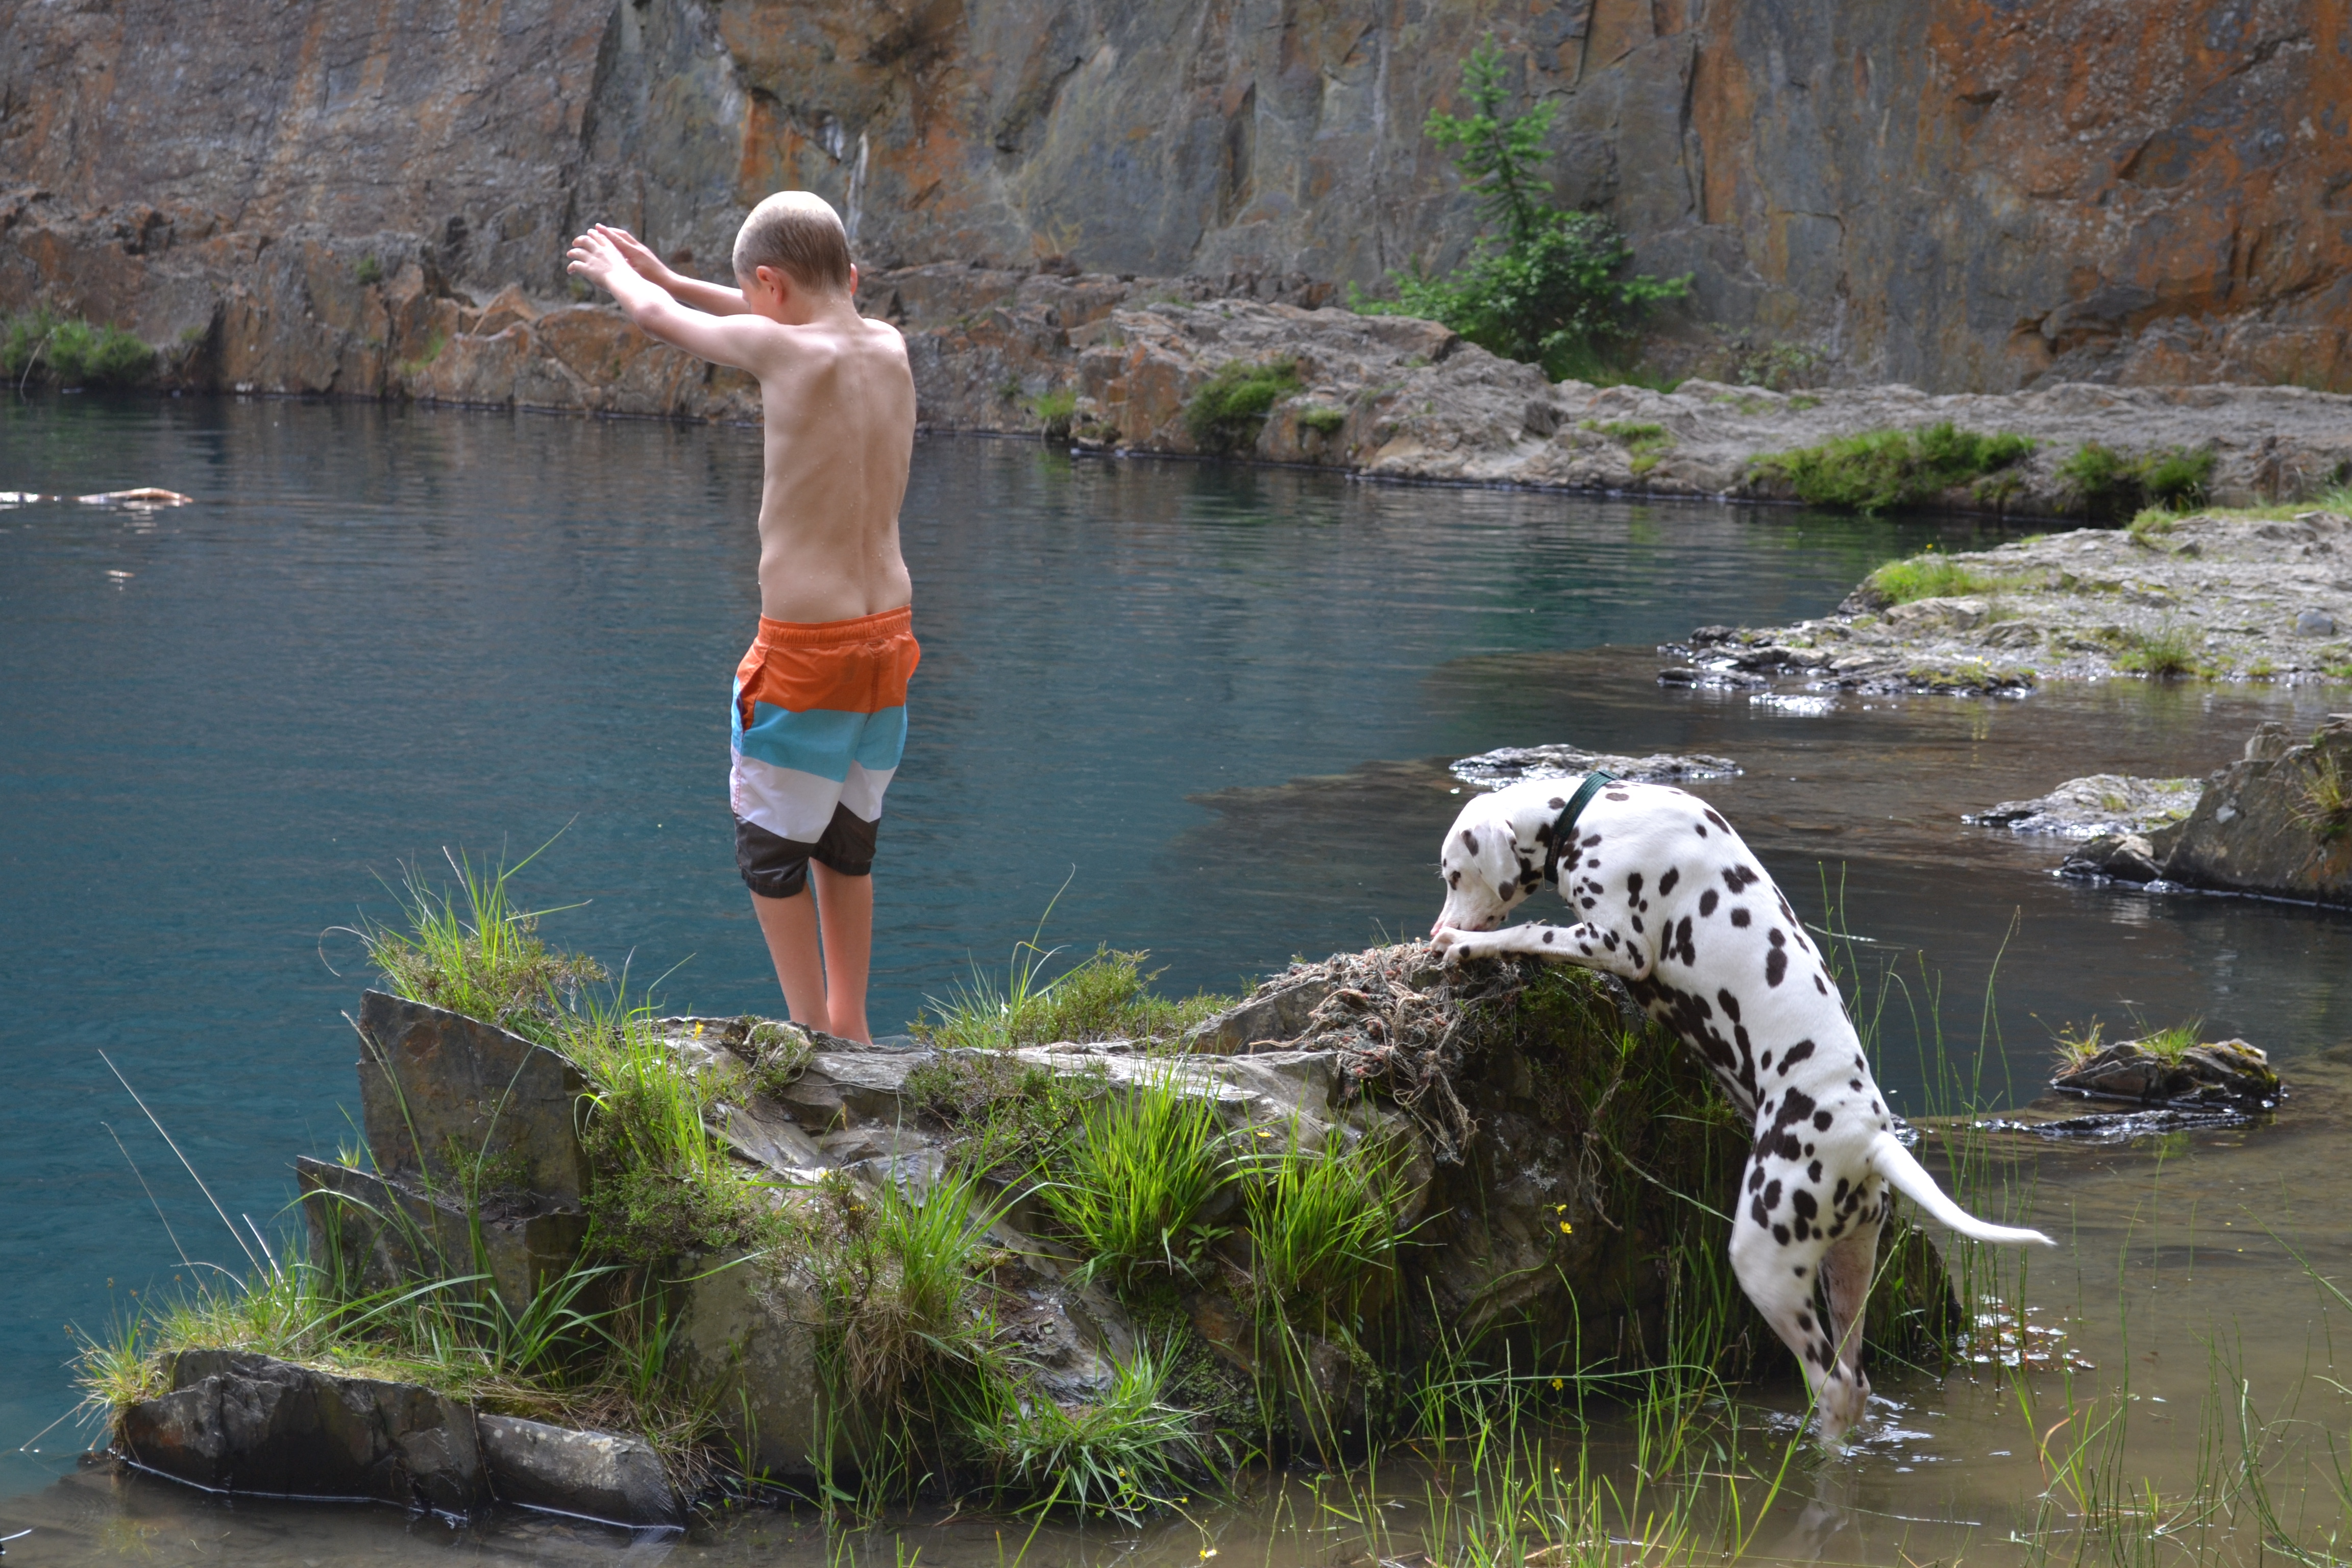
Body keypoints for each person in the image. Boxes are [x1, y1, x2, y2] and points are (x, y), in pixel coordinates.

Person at [567, 193, 917, 1044]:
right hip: (889, 645)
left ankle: (806, 1035)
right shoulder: (888, 346)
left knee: (771, 852)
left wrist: (626, 278)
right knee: (847, 840)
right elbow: (776, 312)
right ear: (853, 278)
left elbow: (660, 322)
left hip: (805, 652)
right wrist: (674, 273)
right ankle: (853, 1026)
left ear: (769, 285)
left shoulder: (782, 353)